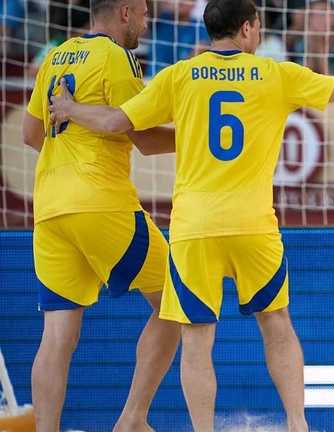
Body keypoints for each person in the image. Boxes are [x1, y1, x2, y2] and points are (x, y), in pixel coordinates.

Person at [49, 0, 334, 429]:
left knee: (197, 338)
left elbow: (117, 122)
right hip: (253, 225)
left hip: (194, 228)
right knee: (277, 324)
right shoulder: (274, 73)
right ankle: (297, 423)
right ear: (248, 28)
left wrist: (69, 110)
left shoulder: (180, 74)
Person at [20, 0, 180, 430]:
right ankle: (132, 418)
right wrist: (193, 137)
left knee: (56, 337)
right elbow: (141, 135)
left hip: (49, 205)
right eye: (144, 13)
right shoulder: (117, 56)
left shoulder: (55, 55)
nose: (147, 22)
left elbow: (30, 133)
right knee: (179, 299)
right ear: (125, 12)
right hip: (100, 202)